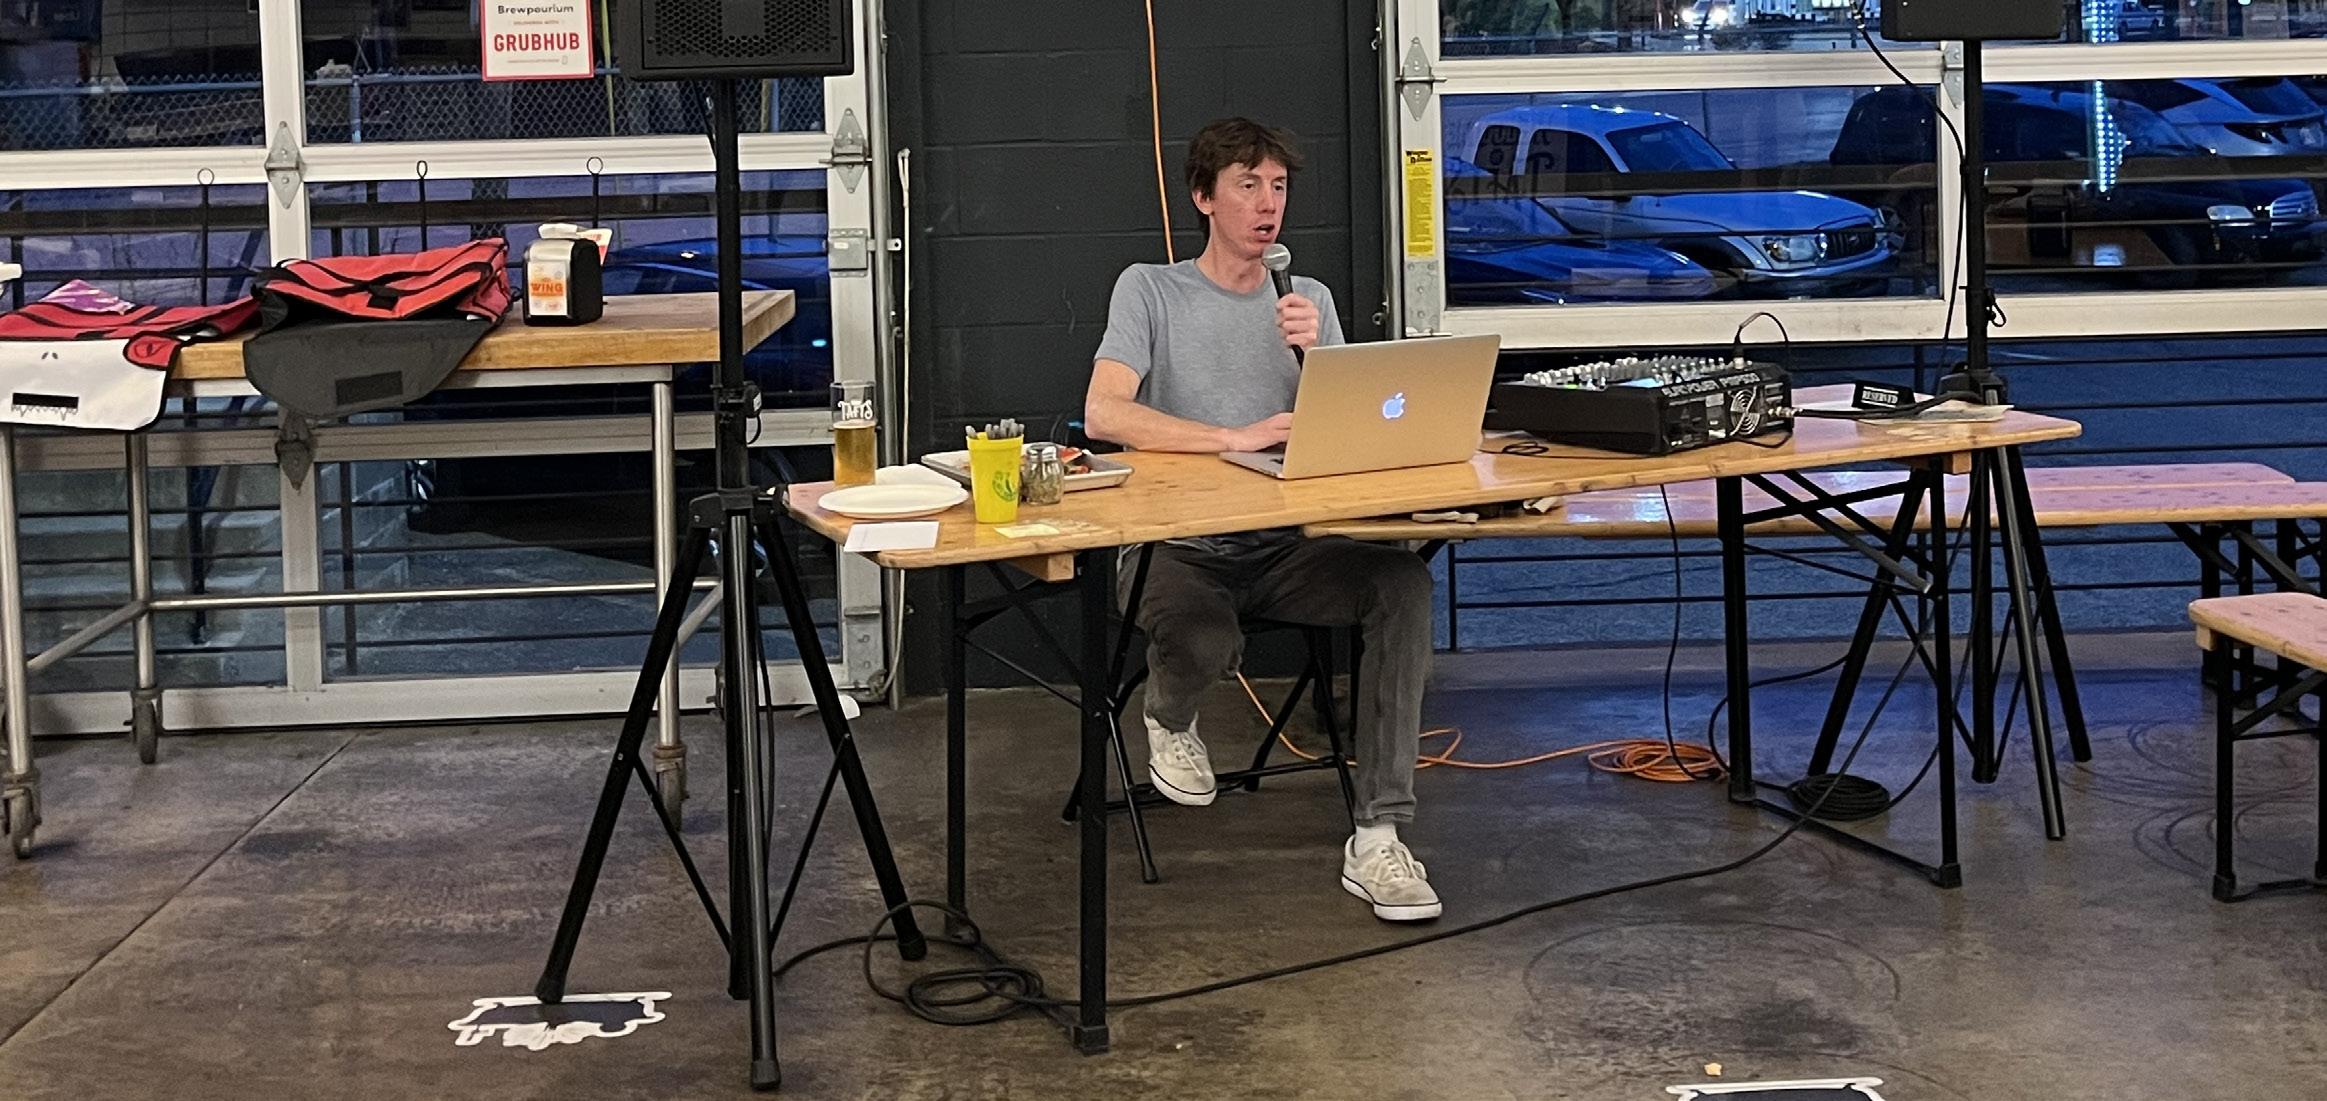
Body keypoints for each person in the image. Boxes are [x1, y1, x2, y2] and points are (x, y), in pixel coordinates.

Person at [1084, 118, 1442, 922]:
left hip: (1288, 546)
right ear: (1203, 198)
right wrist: (1230, 437)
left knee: (1402, 584)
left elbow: (1353, 432)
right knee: (1205, 636)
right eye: (1247, 185)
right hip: (1177, 548)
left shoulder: (1305, 298)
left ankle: (1378, 834)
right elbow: (1104, 413)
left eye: (1277, 186)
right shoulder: (1150, 289)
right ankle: (1167, 715)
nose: (1266, 203)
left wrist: (1319, 360)